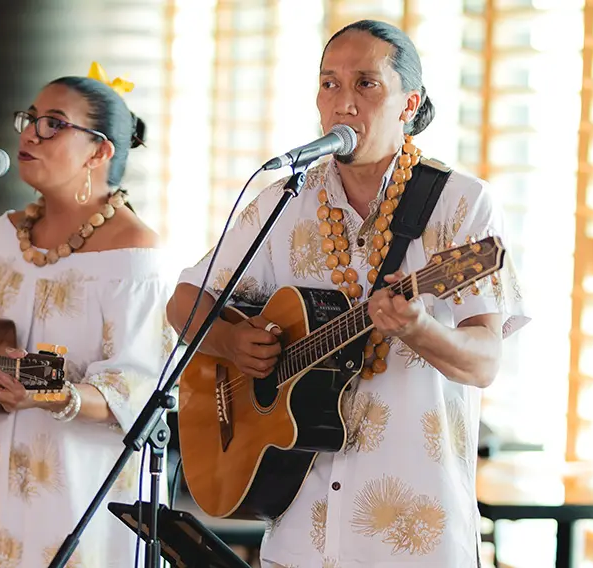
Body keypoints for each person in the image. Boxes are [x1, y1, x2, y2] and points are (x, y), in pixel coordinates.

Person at [166, 20, 530, 568]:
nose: (344, 102)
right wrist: (229, 342)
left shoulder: (461, 204)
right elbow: (183, 301)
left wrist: (418, 328)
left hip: (414, 537)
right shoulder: (284, 201)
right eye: (329, 83)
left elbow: (484, 364)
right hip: (298, 537)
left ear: (410, 104)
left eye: (366, 83)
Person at [0, 63, 176, 568]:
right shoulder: (5, 236)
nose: (31, 132)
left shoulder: (137, 255)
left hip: (87, 489)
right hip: (0, 479)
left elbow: (142, 390)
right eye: (31, 118)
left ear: (99, 151)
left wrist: (58, 395)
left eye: (54, 123)